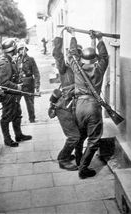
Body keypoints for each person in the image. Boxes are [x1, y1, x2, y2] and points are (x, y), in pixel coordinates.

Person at [67, 28, 109, 179]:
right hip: (93, 106)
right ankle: (83, 169)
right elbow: (104, 56)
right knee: (94, 139)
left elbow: (72, 53)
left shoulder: (77, 67)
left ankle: (79, 160)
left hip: (78, 106)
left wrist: (73, 36)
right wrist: (100, 39)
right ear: (95, 59)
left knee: (80, 136)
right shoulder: (99, 68)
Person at [48, 30, 83, 171]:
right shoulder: (64, 69)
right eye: (72, 56)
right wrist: (60, 36)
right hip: (64, 108)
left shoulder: (81, 71)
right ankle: (63, 158)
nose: (74, 58)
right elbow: (57, 54)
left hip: (74, 108)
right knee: (74, 137)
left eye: (77, 56)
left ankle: (67, 155)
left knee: (78, 135)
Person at [0, 38, 32, 147]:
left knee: (17, 115)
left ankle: (18, 135)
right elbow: (4, 82)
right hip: (8, 95)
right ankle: (7, 139)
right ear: (13, 49)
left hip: (14, 94)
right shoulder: (4, 62)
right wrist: (17, 87)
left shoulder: (10, 59)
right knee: (6, 118)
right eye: (16, 48)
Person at [17, 42, 40, 123]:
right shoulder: (15, 60)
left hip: (29, 84)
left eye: (24, 49)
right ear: (18, 51)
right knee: (16, 103)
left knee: (30, 103)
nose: (22, 51)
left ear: (26, 50)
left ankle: (32, 119)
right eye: (20, 50)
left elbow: (36, 73)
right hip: (18, 85)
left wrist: (37, 86)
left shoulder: (31, 60)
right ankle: (17, 119)